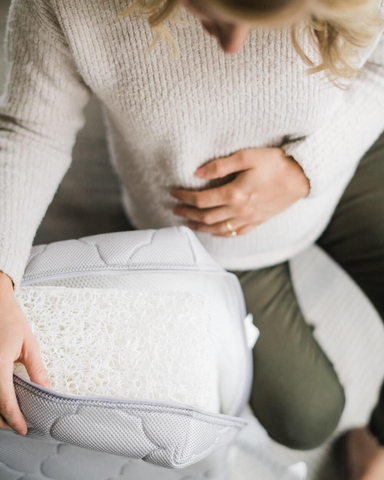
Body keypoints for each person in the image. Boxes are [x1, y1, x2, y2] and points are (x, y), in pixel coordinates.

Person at [0, 0, 383, 477]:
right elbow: (29, 128)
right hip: (210, 238)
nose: (232, 45)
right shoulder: (64, 9)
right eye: (213, 12)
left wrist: (306, 169)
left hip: (344, 159)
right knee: (306, 417)